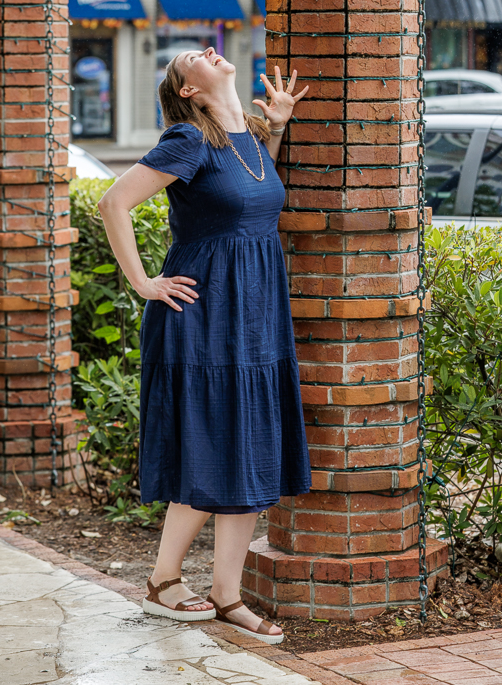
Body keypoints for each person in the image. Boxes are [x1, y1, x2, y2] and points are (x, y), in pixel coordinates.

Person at [97, 47, 312, 645]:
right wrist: (144, 283)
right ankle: (164, 580)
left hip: (255, 315)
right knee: (211, 443)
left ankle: (226, 594)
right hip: (203, 314)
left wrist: (278, 127)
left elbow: (247, 201)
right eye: (194, 56)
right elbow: (113, 202)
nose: (210, 51)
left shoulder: (252, 137)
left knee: (249, 447)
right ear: (188, 90)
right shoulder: (188, 139)